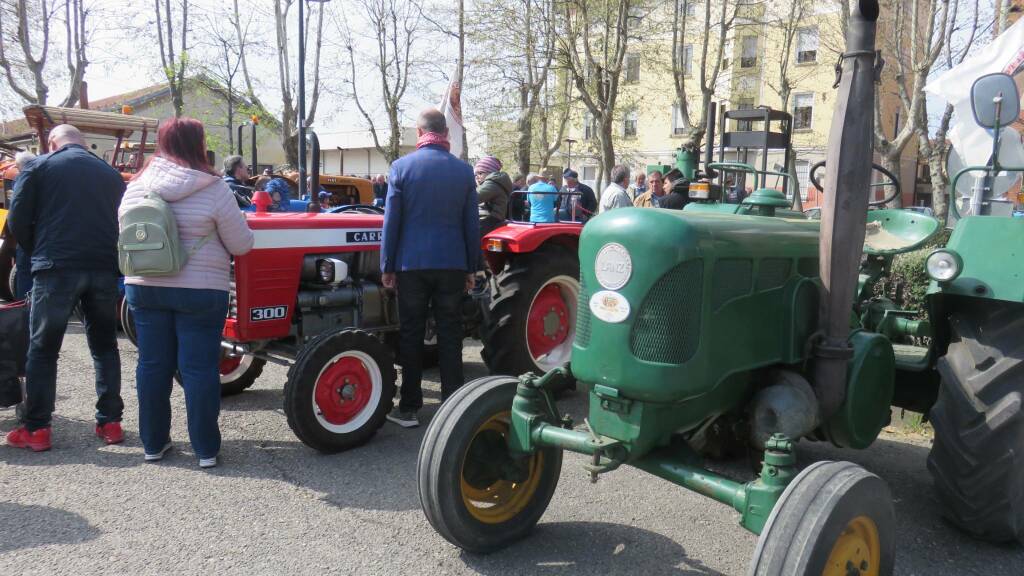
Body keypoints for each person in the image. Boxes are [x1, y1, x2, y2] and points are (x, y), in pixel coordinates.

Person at [120, 117, 254, 468]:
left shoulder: (136, 186)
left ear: (162, 144)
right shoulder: (213, 188)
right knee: (198, 369)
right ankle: (206, 450)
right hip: (199, 290)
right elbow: (241, 245)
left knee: (152, 365)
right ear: (198, 144)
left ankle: (153, 443)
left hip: (144, 286)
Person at [5, 125, 126, 452]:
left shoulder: (39, 167)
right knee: (104, 347)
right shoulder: (111, 175)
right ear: (84, 144)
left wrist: (37, 250)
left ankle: (38, 429)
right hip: (102, 267)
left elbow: (16, 221)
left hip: (55, 267)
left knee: (43, 350)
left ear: (51, 143)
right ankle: (111, 422)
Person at [381, 108, 478, 428]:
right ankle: (453, 404)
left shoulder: (401, 168)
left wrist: (387, 264)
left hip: (412, 264)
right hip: (452, 263)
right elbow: (470, 225)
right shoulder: (464, 172)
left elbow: (391, 222)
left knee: (410, 334)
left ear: (419, 133)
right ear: (446, 134)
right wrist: (471, 268)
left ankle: (409, 406)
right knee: (451, 332)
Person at [11, 151, 36, 300]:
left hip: (29, 234)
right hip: (46, 233)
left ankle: (24, 307)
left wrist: (22, 239)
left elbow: (16, 213)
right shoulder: (47, 176)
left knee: (25, 272)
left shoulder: (22, 178)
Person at [474, 155, 512, 238]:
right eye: (476, 174)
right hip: (490, 217)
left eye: (480, 173)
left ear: (490, 172)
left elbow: (475, 198)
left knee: (470, 234)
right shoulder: (494, 182)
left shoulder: (492, 183)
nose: (477, 177)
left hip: (489, 219)